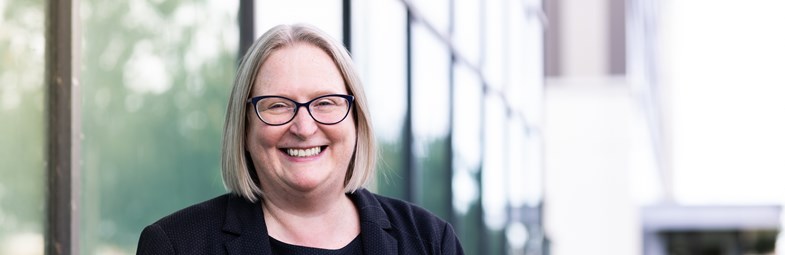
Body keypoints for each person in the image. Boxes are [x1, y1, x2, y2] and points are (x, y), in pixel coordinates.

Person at [136, 23, 464, 255]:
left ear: (356, 119)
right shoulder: (177, 245)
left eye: (325, 103)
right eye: (278, 105)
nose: (304, 127)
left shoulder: (429, 242)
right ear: (244, 127)